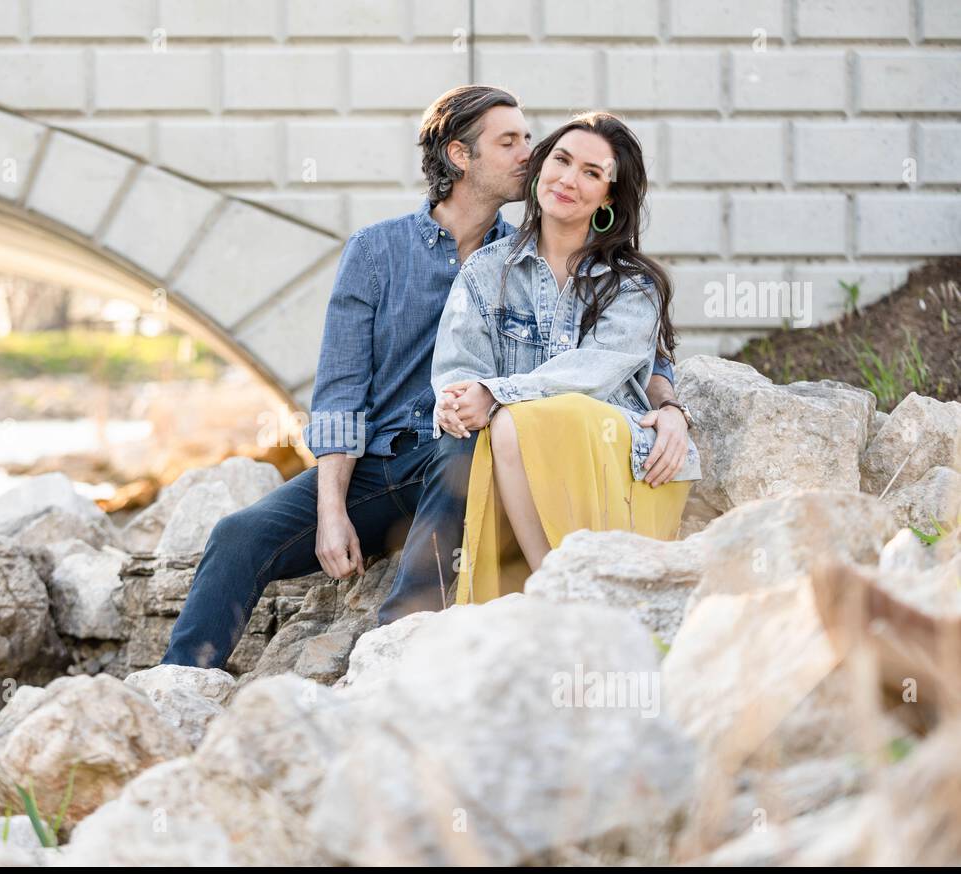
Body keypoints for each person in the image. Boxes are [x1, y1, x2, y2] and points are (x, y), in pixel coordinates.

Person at [159, 90, 688, 669]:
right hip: (379, 460)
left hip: (463, 447)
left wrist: (670, 409)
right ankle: (180, 683)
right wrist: (332, 512)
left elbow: (633, 352)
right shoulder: (378, 251)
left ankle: (394, 658)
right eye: (509, 141)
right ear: (460, 156)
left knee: (461, 452)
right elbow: (339, 388)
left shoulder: (528, 252)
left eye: (530, 140)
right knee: (239, 534)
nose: (529, 155)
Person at [431, 110, 702, 605]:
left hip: (622, 459)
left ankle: (554, 591)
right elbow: (459, 367)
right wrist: (454, 400)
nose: (568, 180)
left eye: (592, 173)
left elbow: (596, 373)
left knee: (511, 419)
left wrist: (496, 393)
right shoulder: (485, 272)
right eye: (561, 160)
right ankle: (557, 590)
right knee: (503, 427)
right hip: (525, 463)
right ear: (540, 167)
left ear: (609, 198)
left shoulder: (632, 284)